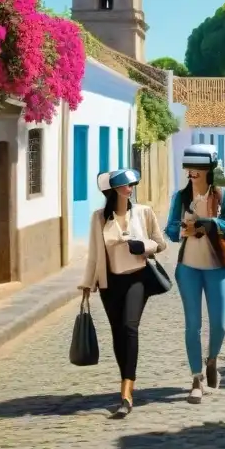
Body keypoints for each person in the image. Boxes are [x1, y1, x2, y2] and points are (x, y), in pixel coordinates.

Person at [80, 168, 168, 418]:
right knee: (118, 333)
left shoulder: (143, 212)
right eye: (125, 186)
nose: (130, 189)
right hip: (111, 284)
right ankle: (125, 381)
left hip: (138, 278)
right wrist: (87, 284)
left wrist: (145, 246)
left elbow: (160, 243)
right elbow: (95, 255)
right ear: (112, 190)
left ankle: (126, 394)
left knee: (130, 327)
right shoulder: (99, 218)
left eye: (132, 185)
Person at [165, 144, 225, 403]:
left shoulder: (224, 196)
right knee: (192, 325)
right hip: (188, 268)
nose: (192, 173)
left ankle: (212, 360)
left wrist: (212, 224)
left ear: (209, 169)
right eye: (189, 168)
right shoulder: (181, 197)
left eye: (197, 168)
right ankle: (196, 378)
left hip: (218, 268)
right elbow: (170, 230)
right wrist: (182, 230)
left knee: (220, 324)